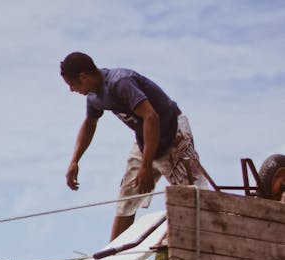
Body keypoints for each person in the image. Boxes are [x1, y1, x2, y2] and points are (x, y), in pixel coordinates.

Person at [60, 52, 208, 240]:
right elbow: (89, 124)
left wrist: (147, 166)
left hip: (171, 133)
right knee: (127, 197)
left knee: (193, 197)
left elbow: (151, 117)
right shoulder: (94, 97)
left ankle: (197, 245)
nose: (72, 90)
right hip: (145, 138)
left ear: (84, 77)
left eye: (72, 85)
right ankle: (112, 255)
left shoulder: (120, 82)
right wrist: (75, 161)